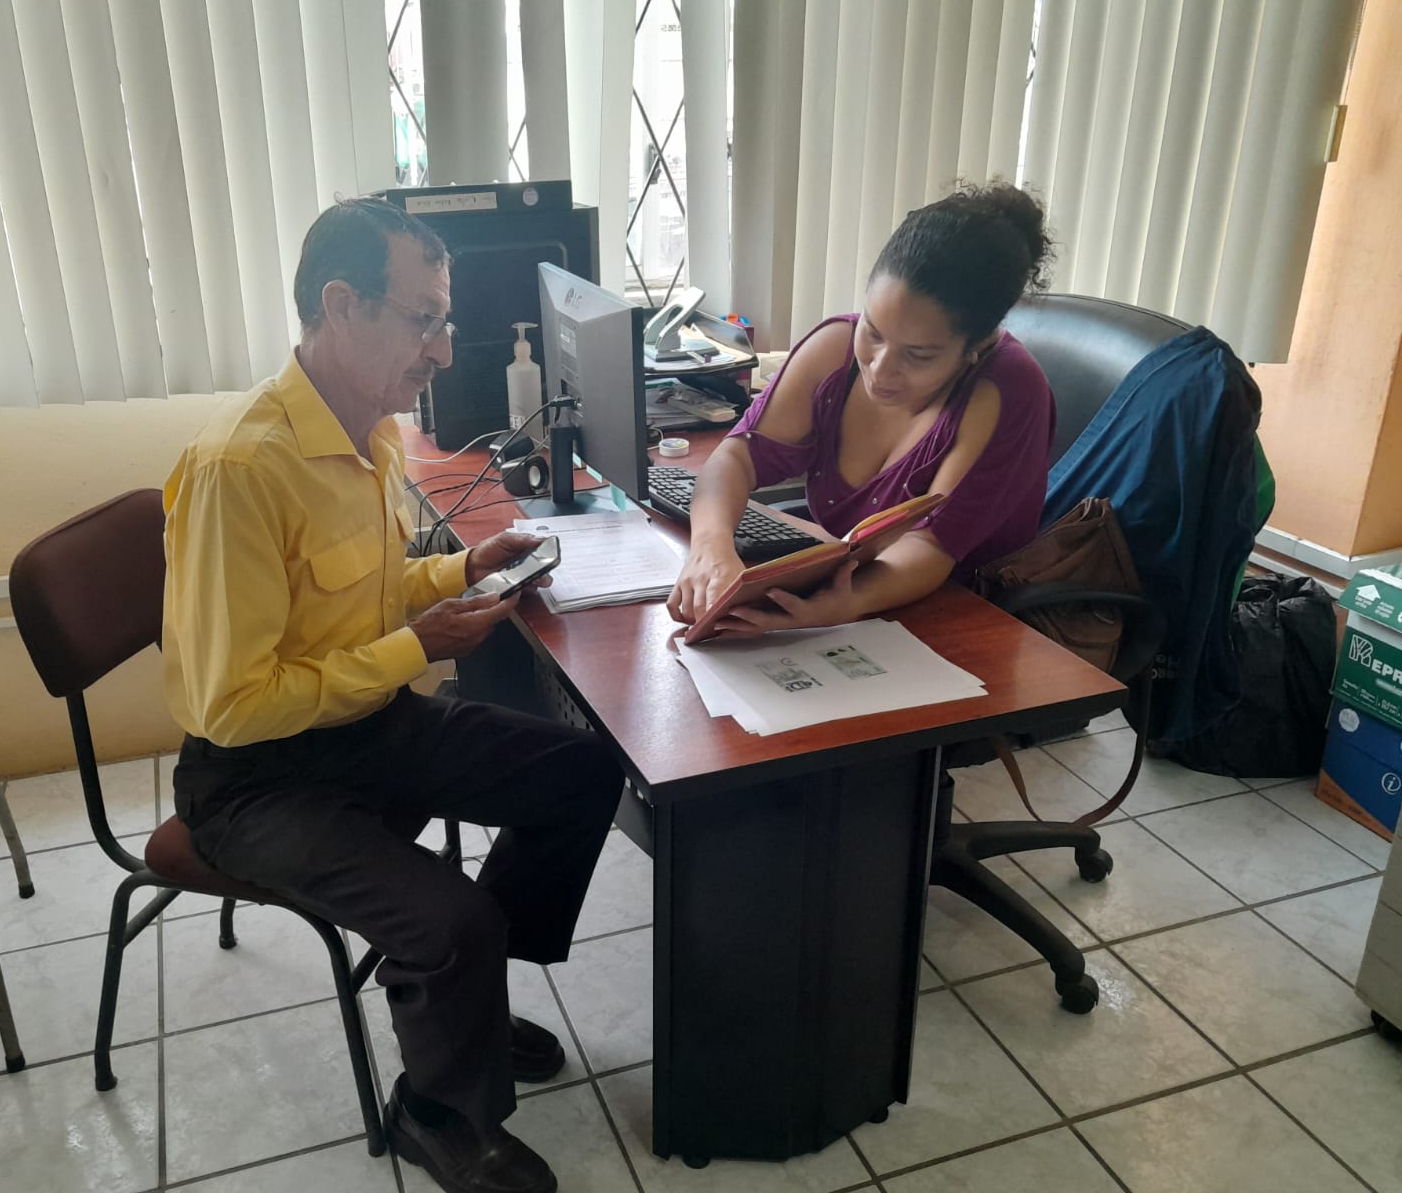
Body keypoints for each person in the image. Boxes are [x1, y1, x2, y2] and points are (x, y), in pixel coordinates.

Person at [162, 197, 621, 1193]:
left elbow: (359, 596)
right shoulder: (241, 468)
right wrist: (412, 647)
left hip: (365, 724)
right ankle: (435, 1109)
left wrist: (460, 572)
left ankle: (468, 1009)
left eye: (443, 322)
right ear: (341, 305)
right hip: (254, 780)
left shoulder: (368, 433)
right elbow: (232, 705)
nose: (442, 351)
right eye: (423, 320)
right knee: (451, 923)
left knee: (583, 770)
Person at [667, 181, 1056, 637]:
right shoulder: (834, 347)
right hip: (848, 606)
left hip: (960, 621)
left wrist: (849, 602)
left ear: (976, 346)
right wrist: (711, 547)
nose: (880, 369)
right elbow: (737, 457)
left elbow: (931, 546)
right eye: (873, 331)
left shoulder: (1005, 389)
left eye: (919, 355)